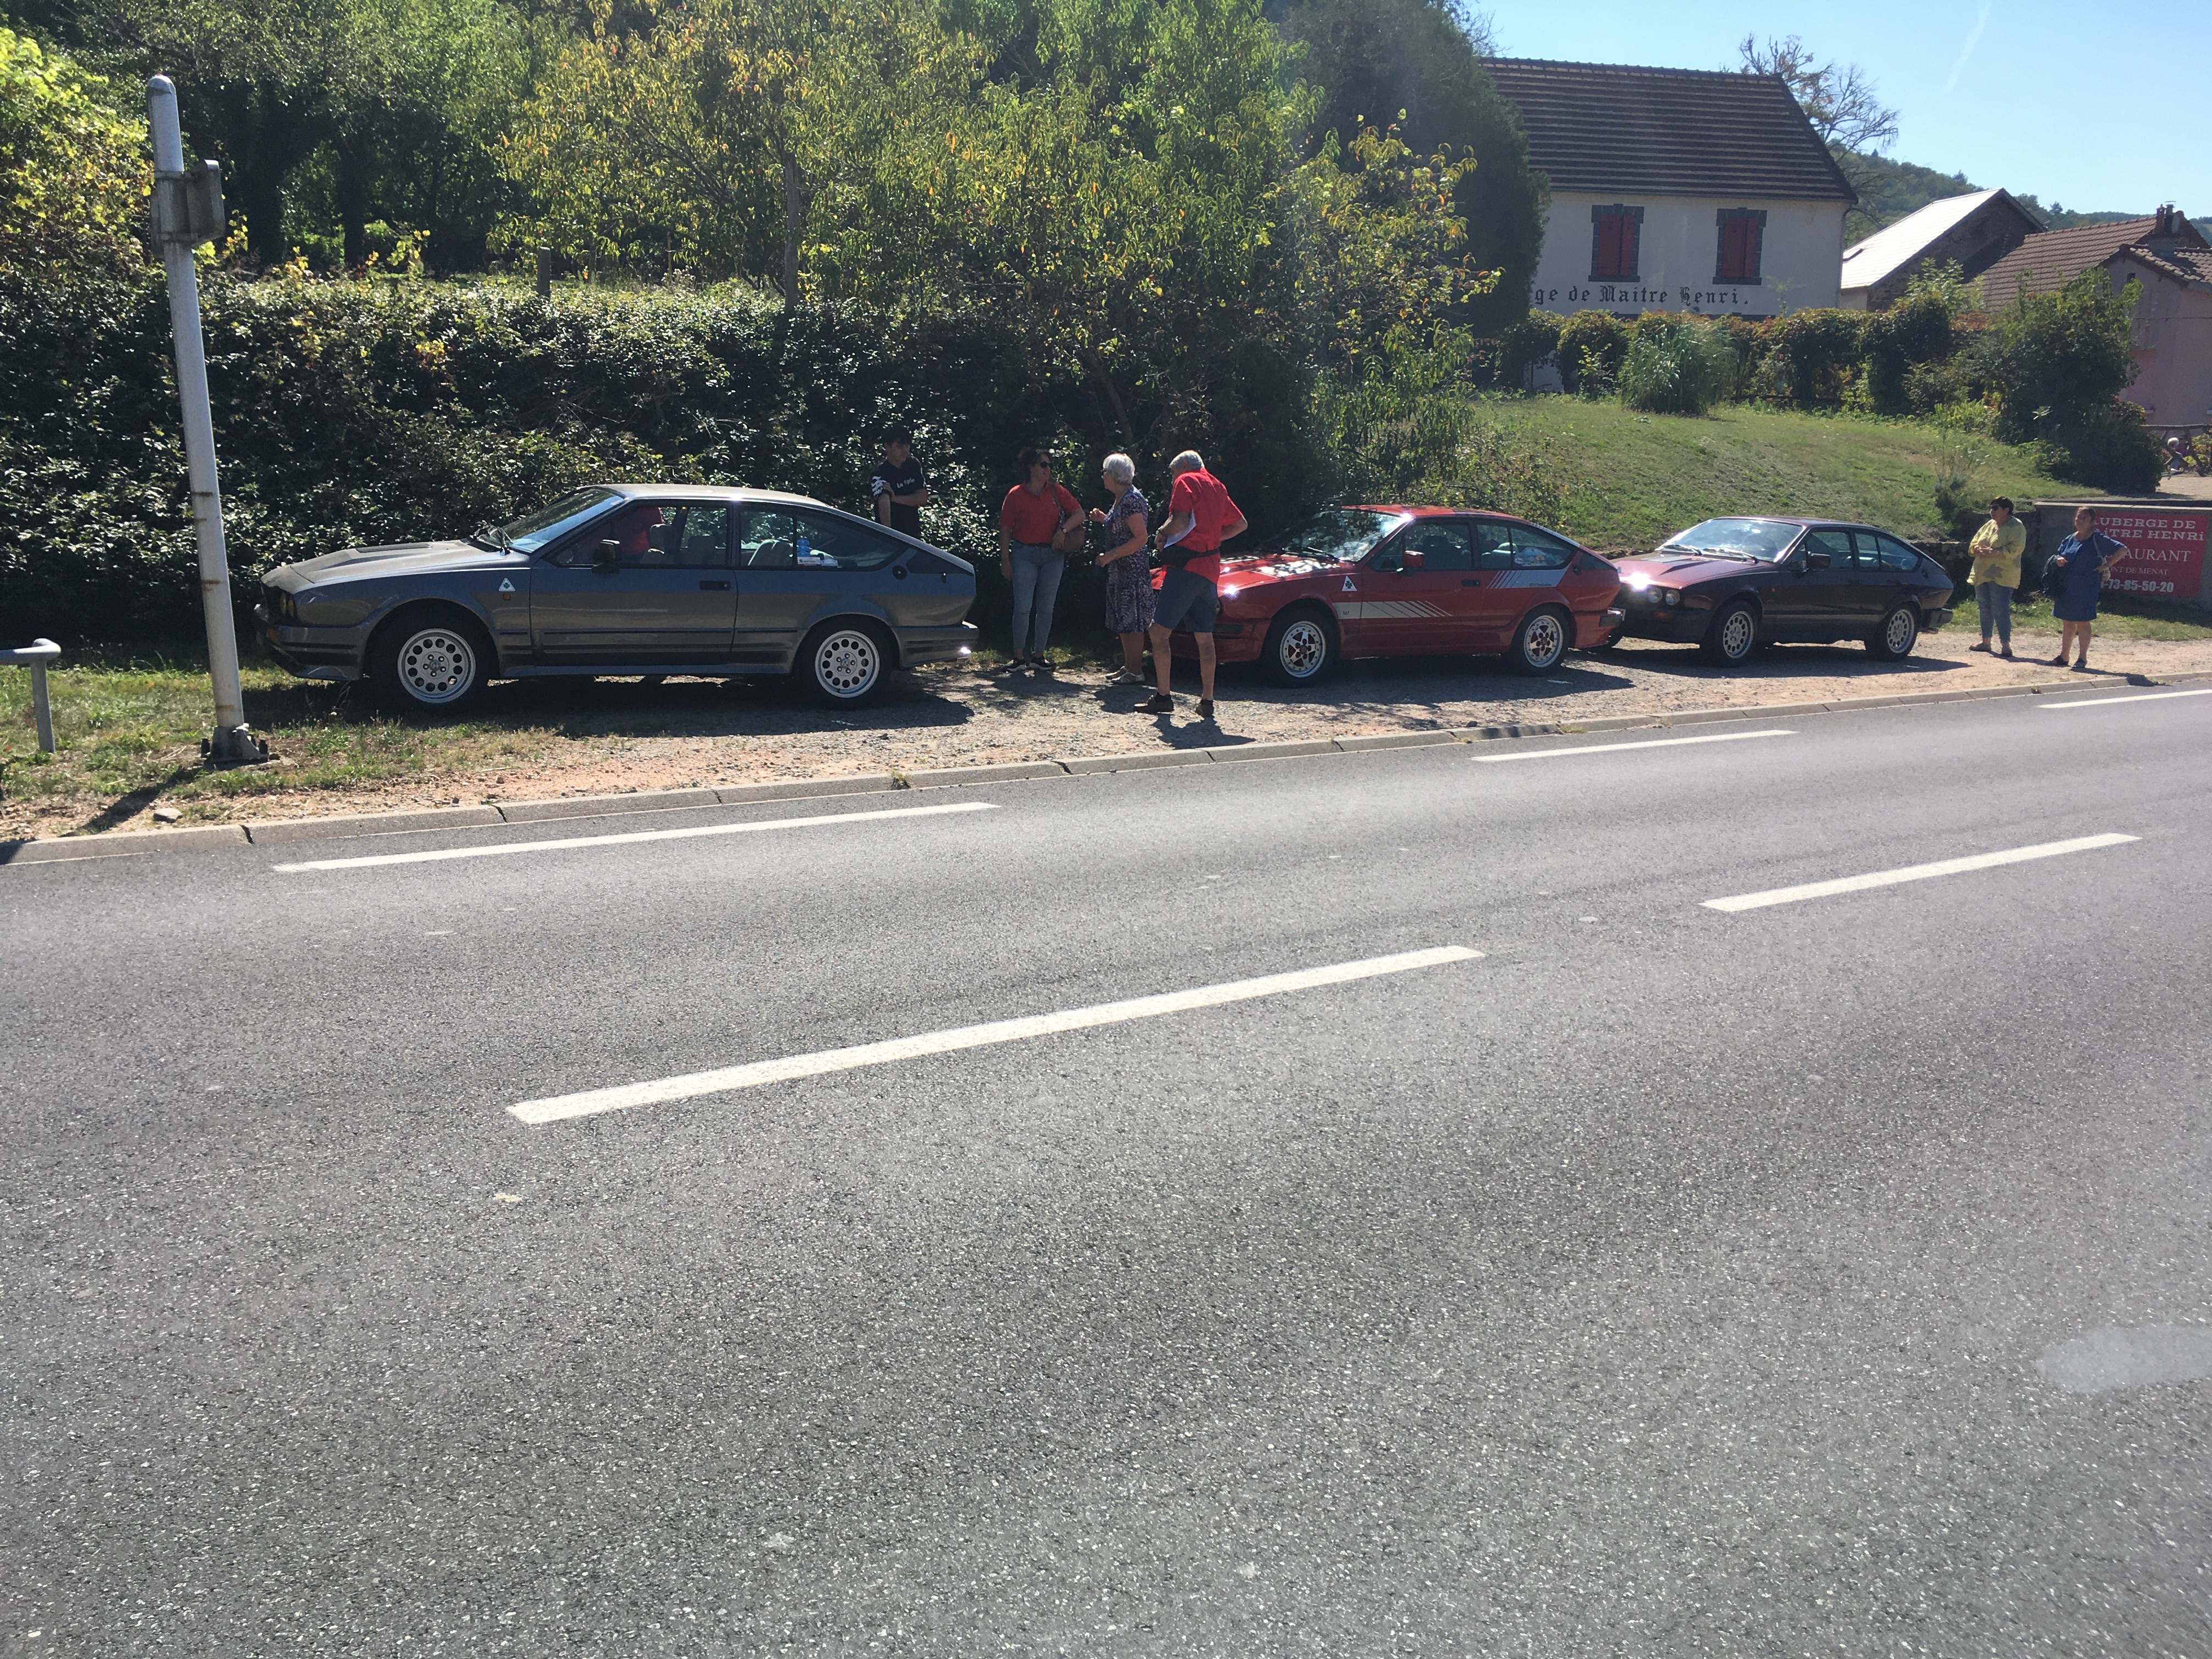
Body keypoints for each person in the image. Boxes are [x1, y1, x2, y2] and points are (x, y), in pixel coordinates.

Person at [1142, 449, 1246, 720]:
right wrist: (1212, 539)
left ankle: (1163, 697)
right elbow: (1240, 525)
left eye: (1172, 472)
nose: (1172, 479)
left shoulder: (1186, 480)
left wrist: (1161, 533)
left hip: (1186, 569)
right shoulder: (1218, 486)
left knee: (1158, 633)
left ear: (1185, 465)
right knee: (1204, 636)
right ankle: (1207, 701)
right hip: (1210, 570)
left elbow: (1180, 520)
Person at [997, 445, 1084, 674]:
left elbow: (1079, 514)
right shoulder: (1016, 494)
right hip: (1024, 554)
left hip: (1053, 555)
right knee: (1023, 606)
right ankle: (1018, 658)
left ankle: (1039, 656)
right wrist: (1005, 559)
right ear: (1031, 468)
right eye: (1043, 464)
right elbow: (1005, 528)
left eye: (1049, 465)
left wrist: (1063, 531)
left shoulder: (1056, 491)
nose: (1048, 469)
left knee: (1046, 607)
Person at [1087, 453, 1152, 684]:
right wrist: (1104, 519)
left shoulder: (1131, 500)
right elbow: (1121, 526)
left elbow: (1141, 538)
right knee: (1123, 620)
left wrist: (1110, 555)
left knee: (1133, 621)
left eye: (1104, 472)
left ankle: (1136, 671)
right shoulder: (1121, 498)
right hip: (1120, 571)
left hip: (1132, 572)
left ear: (1114, 475)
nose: (1102, 476)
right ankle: (1129, 666)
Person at [2045, 504, 2128, 672]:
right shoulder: (2070, 539)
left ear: (2092, 522)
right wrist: (2058, 561)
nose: (2080, 521)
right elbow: (2058, 555)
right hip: (2066, 586)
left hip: (2086, 587)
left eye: (2084, 518)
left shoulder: (2097, 539)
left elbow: (2122, 550)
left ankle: (2082, 658)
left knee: (2082, 621)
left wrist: (2107, 565)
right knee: (2067, 620)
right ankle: (2064, 656)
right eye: (2078, 517)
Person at [1966, 496, 2025, 658]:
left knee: (2001, 608)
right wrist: (1976, 549)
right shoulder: (1989, 525)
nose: (1992, 511)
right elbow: (1974, 542)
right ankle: (1986, 642)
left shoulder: (2017, 526)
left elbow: (2016, 548)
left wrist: (1995, 552)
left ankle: (2006, 645)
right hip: (1982, 573)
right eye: (1991, 508)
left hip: (2003, 575)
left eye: (1996, 508)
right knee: (1984, 607)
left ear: (2006, 510)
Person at [870, 427, 929, 538]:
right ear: (888, 446)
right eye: (900, 446)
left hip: (913, 534)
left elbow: (923, 498)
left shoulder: (913, 464)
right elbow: (884, 503)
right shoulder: (880, 473)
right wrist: (889, 537)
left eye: (907, 446)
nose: (905, 451)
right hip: (892, 536)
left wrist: (896, 499)